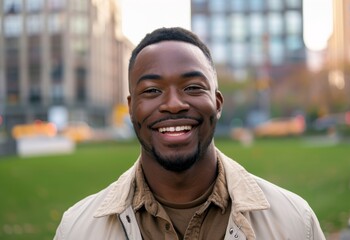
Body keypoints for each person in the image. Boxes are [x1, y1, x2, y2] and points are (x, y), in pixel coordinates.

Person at [54, 27, 325, 240]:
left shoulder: (295, 223)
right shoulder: (76, 230)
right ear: (131, 108)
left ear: (217, 103)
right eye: (152, 91)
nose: (173, 104)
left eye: (193, 87)